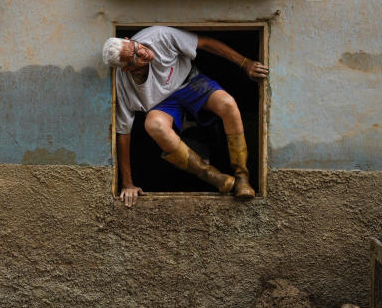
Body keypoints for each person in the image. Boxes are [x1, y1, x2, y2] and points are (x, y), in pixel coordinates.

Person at [102, 27, 268, 207]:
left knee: (227, 103)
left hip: (190, 82)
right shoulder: (124, 85)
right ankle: (216, 178)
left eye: (136, 47)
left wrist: (246, 63)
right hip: (162, 103)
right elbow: (123, 133)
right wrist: (127, 183)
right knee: (154, 124)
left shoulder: (159, 37)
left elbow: (204, 42)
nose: (142, 53)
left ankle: (242, 178)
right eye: (135, 58)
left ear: (129, 39)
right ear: (126, 69)